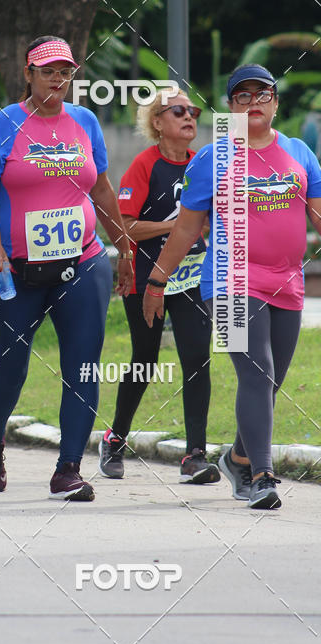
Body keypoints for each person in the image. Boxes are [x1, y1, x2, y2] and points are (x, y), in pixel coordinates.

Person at [143, 64, 321, 509]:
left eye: (263, 94)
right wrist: (156, 280)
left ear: (276, 103)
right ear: (231, 108)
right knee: (256, 371)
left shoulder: (300, 152)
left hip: (287, 281)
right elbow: (185, 231)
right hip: (228, 281)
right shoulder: (212, 159)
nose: (254, 103)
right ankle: (262, 476)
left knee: (271, 379)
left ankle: (239, 456)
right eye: (243, 96)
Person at [0, 36, 133, 501]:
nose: (57, 80)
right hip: (17, 269)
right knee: (12, 366)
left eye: (65, 71)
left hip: (82, 262)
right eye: (47, 71)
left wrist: (122, 247)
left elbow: (101, 190)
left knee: (83, 368)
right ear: (29, 74)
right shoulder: (7, 122)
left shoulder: (84, 121)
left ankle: (68, 469)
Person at [99, 89, 219, 485]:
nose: (190, 117)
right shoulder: (144, 165)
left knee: (197, 358)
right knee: (146, 358)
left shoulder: (203, 164)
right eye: (179, 111)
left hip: (190, 277)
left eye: (194, 111)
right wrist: (179, 225)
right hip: (146, 278)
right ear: (157, 122)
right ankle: (115, 439)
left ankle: (195, 454)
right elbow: (125, 224)